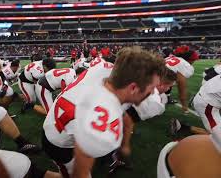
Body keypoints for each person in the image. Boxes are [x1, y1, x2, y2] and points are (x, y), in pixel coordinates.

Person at [42, 47, 165, 177]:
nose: (152, 92)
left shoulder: (105, 69)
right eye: (151, 88)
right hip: (58, 143)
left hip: (67, 116)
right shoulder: (99, 119)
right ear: (133, 87)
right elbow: (81, 169)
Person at [164, 45, 199, 113]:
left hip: (144, 78)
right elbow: (181, 87)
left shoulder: (170, 57)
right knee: (159, 105)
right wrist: (184, 105)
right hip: (153, 84)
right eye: (194, 60)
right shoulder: (185, 66)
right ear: (189, 59)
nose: (194, 62)